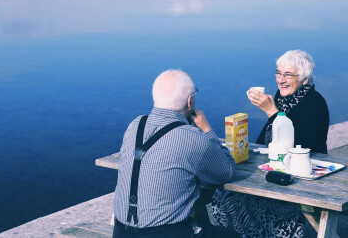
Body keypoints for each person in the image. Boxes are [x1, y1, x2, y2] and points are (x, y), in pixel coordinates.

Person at [210, 50, 329, 237]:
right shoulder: (283, 97)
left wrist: (272, 112)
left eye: (288, 75)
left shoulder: (315, 104)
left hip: (300, 175)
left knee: (258, 204)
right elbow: (268, 136)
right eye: (278, 73)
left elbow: (298, 147)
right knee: (224, 193)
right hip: (275, 167)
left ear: (305, 80)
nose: (281, 80)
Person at [113, 69, 235, 238]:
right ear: (190, 101)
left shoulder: (135, 125)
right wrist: (207, 130)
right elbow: (225, 173)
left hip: (121, 232)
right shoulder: (192, 137)